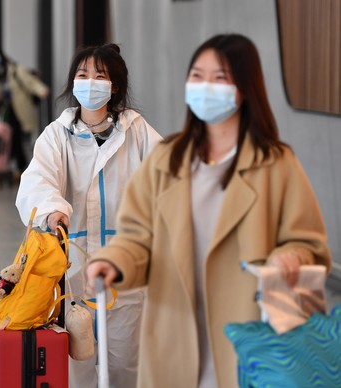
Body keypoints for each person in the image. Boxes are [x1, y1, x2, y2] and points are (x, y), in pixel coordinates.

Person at [85, 34, 332, 388]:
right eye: (197, 76)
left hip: (250, 336)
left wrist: (289, 257)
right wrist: (115, 262)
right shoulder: (166, 160)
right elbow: (137, 238)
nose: (205, 87)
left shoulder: (276, 164)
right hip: (174, 341)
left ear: (245, 88)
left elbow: (308, 244)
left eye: (220, 78)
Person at [16, 43, 162, 387]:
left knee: (126, 363)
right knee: (76, 365)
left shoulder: (137, 131)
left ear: (115, 86)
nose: (90, 82)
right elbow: (38, 178)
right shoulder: (57, 135)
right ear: (72, 83)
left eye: (100, 75)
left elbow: (168, 175)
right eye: (83, 75)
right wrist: (52, 209)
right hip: (72, 273)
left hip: (124, 269)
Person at [0, 46, 49, 179]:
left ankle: (22, 168)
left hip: (20, 110)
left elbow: (31, 83)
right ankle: (12, 168)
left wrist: (41, 90)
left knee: (19, 140)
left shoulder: (15, 70)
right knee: (9, 140)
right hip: (3, 114)